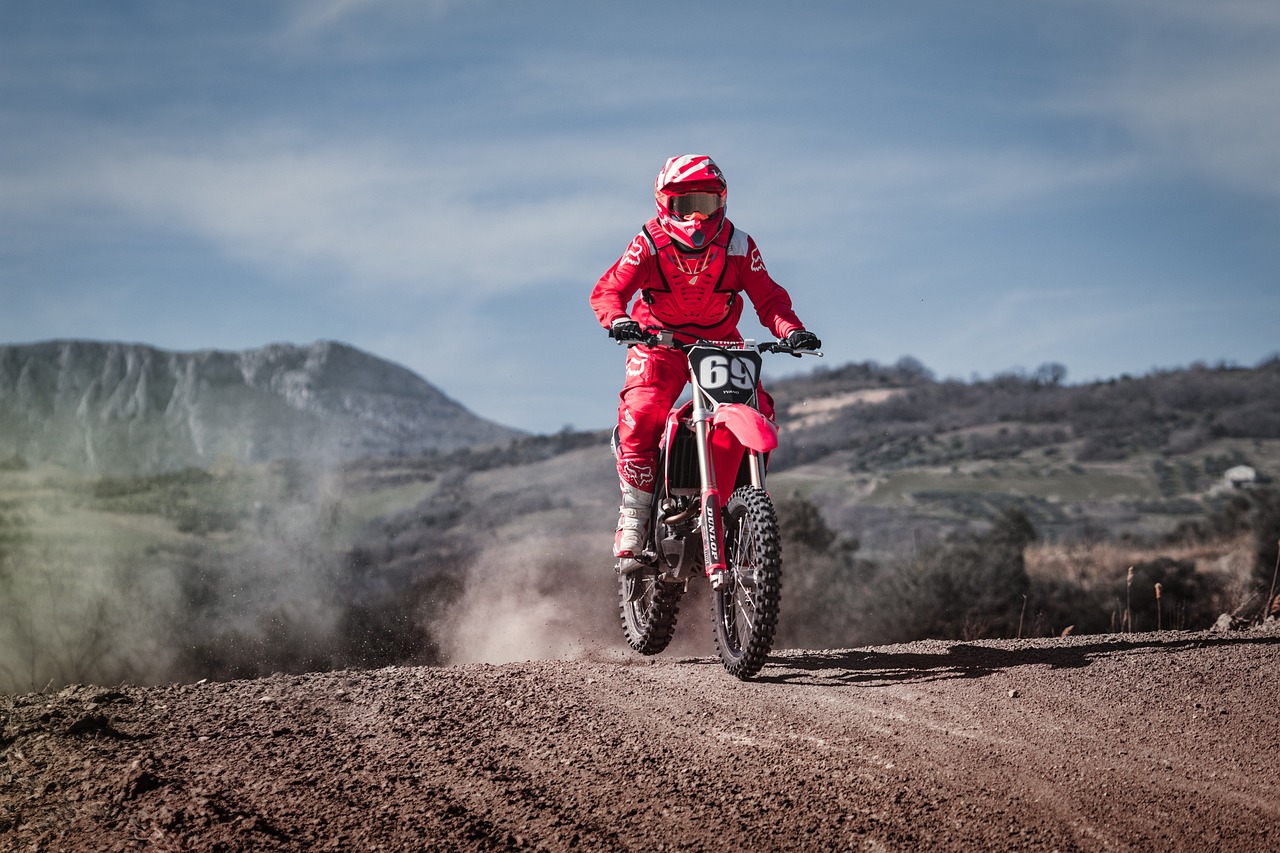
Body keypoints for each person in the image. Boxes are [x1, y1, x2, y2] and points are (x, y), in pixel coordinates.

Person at [589, 154, 821, 561]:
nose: (696, 216)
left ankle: (733, 506)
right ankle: (635, 512)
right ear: (665, 204)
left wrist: (791, 330)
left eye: (707, 203)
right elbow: (609, 289)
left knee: (759, 410)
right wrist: (618, 319)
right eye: (685, 204)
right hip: (658, 343)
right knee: (643, 412)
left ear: (722, 202)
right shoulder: (648, 242)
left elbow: (769, 298)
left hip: (719, 344)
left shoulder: (738, 245)